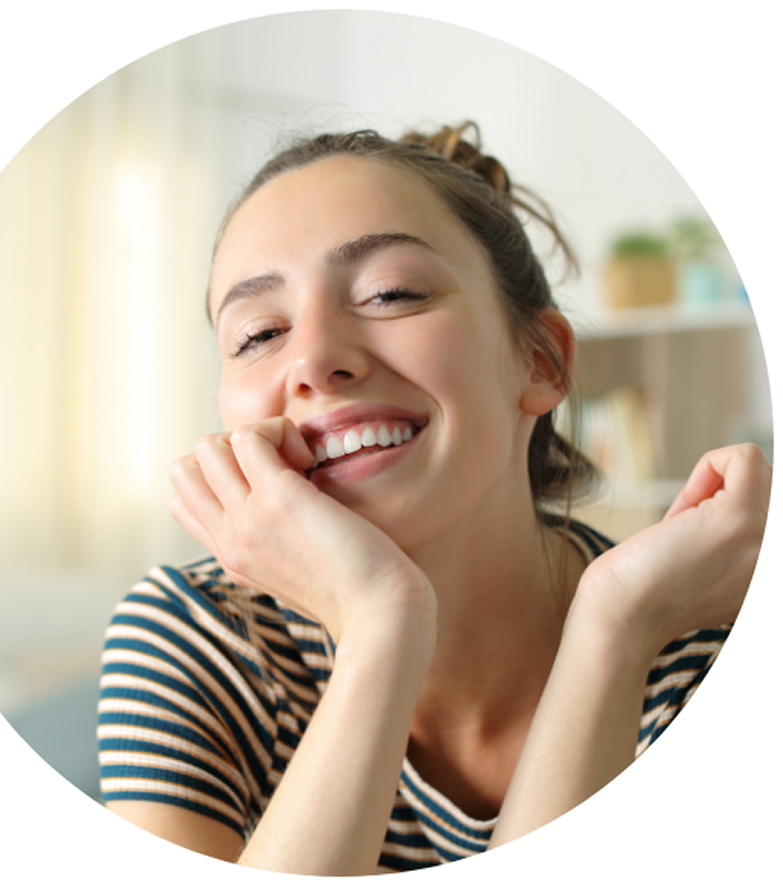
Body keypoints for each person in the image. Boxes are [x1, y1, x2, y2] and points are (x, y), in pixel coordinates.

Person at [97, 122, 770, 874]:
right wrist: (380, 622)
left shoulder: (693, 649)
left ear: (540, 362)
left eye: (390, 293)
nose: (314, 360)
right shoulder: (197, 633)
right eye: (259, 334)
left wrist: (615, 632)